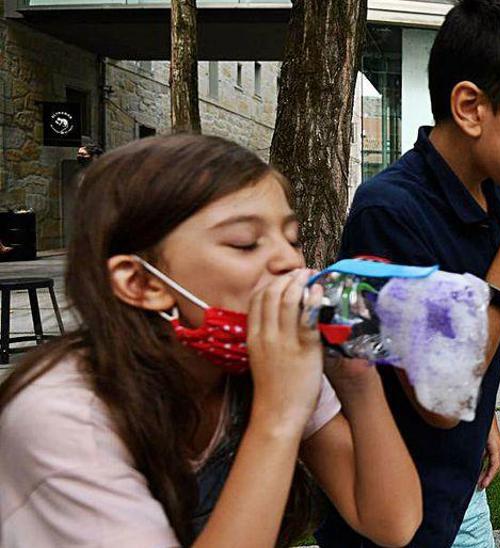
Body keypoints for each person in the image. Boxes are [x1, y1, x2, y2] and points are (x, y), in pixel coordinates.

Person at [0, 134, 422, 547]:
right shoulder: (65, 417)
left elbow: (392, 522)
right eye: (244, 243)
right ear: (142, 282)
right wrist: (278, 414)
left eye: (291, 238)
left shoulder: (261, 363)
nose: (289, 260)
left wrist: (356, 380)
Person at [318, 0, 500, 546]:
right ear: (470, 107)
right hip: (390, 509)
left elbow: (464, 374)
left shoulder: (497, 199)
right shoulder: (387, 212)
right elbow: (437, 403)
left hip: (458, 488)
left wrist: (483, 416)